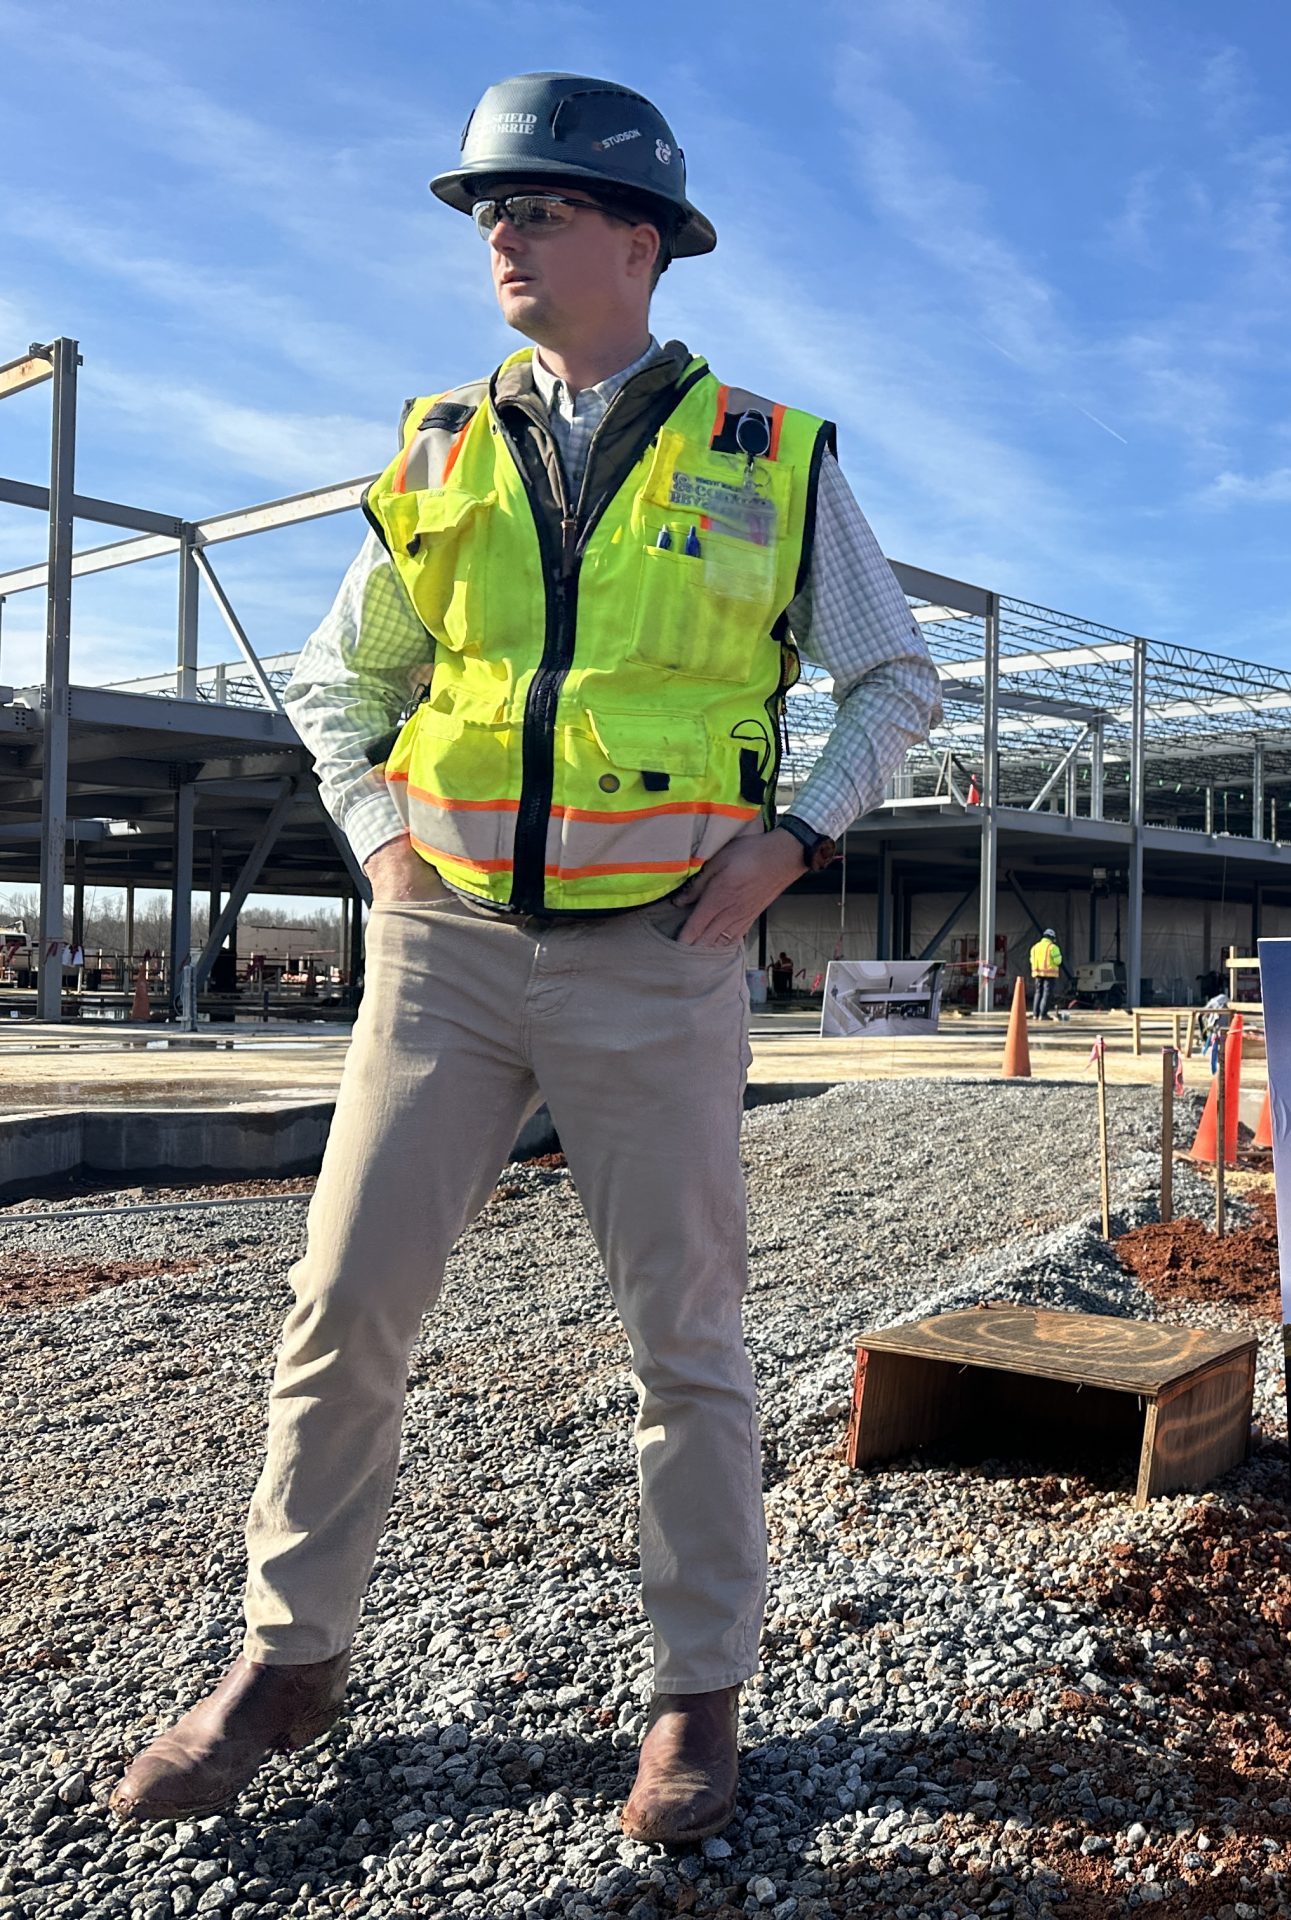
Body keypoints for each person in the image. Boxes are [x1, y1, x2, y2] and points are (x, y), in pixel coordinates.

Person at [106, 73, 941, 1846]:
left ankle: (696, 1694)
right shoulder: (434, 452)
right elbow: (347, 678)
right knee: (342, 1312)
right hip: (447, 953)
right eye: (489, 209)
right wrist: (382, 844)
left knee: (685, 1341)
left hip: (657, 960)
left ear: (639, 243)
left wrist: (793, 838)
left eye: (541, 207)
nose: (501, 232)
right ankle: (288, 1660)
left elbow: (895, 680)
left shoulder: (772, 458)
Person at [1028, 927, 1063, 1020]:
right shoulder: (1053, 947)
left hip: (1038, 974)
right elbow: (1058, 961)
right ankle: (1043, 1014)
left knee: (1038, 992)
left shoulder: (1034, 947)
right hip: (1049, 975)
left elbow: (1031, 960)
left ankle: (1035, 1014)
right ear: (1052, 938)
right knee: (1046, 994)